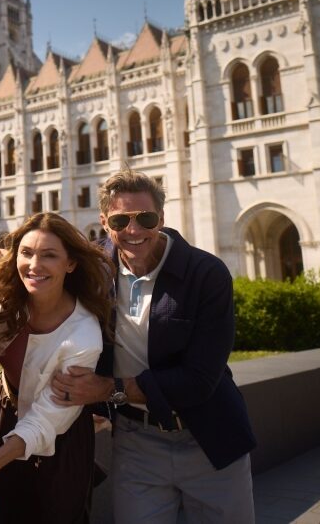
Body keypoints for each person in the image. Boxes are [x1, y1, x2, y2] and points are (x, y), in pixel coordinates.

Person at [51, 169, 256, 523]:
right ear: (104, 221)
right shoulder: (94, 269)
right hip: (136, 443)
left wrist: (108, 390)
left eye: (145, 218)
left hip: (208, 438)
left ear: (161, 217)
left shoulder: (206, 273)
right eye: (120, 220)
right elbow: (41, 282)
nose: (133, 231)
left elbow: (199, 380)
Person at [0, 212, 112, 523]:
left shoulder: (84, 335)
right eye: (26, 253)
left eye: (49, 255)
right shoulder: (6, 301)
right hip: (4, 417)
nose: (34, 265)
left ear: (71, 263)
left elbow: (44, 422)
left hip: (59, 443)